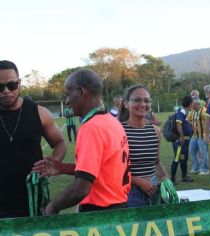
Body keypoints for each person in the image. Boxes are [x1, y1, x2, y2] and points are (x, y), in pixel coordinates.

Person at [33, 69, 130, 214]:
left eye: (68, 94)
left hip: (99, 212)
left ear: (81, 91)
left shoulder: (91, 127)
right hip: (119, 206)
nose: (66, 101)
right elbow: (100, 169)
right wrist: (63, 168)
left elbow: (81, 189)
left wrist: (52, 207)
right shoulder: (111, 121)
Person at [0, 60, 66, 218]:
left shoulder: (39, 113)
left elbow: (60, 143)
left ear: (19, 83)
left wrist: (52, 163)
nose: (6, 91)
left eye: (12, 85)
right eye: (0, 87)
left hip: (33, 199)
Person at [119, 85, 169, 207]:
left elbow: (156, 162)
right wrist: (139, 182)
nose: (143, 104)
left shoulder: (156, 131)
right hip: (129, 192)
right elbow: (114, 170)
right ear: (126, 103)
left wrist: (166, 179)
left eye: (146, 101)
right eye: (137, 100)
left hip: (153, 188)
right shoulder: (119, 131)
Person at [170, 95, 194, 185]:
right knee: (177, 159)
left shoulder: (183, 111)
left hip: (183, 142)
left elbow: (184, 122)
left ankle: (184, 177)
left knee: (183, 159)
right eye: (192, 103)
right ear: (190, 104)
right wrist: (182, 137)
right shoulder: (182, 111)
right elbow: (178, 124)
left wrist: (191, 125)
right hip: (180, 142)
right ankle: (172, 179)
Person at [187, 96, 209, 175]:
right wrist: (192, 125)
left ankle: (205, 169)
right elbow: (188, 119)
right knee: (191, 151)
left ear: (196, 104)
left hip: (202, 136)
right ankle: (196, 167)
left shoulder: (204, 111)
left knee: (203, 153)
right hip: (195, 135)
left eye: (192, 103)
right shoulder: (192, 111)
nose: (191, 105)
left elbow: (209, 121)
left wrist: (207, 134)